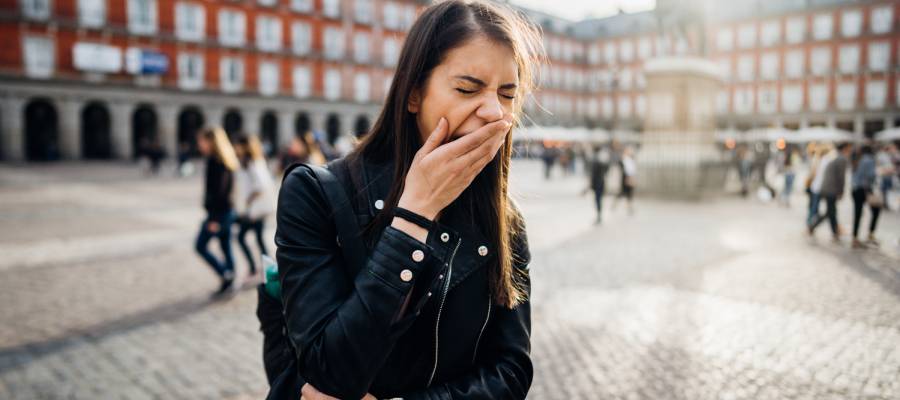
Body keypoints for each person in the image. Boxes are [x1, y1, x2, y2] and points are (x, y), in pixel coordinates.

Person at [273, 1, 539, 398]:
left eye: (507, 94)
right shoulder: (315, 192)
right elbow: (328, 369)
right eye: (468, 88)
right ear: (414, 94)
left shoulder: (504, 218)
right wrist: (414, 215)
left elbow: (511, 369)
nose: (492, 111)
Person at [195, 126, 240, 296]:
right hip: (227, 211)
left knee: (200, 246)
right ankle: (230, 280)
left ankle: (225, 274)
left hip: (219, 214)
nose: (199, 144)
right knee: (226, 246)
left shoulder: (216, 161)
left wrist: (213, 219)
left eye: (202, 140)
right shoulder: (226, 160)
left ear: (211, 141)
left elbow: (219, 192)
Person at [233, 134, 276, 281]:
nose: (235, 148)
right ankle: (267, 270)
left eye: (238, 145)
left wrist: (249, 199)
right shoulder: (249, 161)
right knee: (258, 239)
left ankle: (259, 269)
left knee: (242, 237)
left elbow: (261, 185)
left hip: (255, 210)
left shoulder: (252, 162)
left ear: (244, 146)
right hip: (254, 209)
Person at [809, 142, 852, 243]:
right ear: (845, 148)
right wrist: (841, 191)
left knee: (831, 211)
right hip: (830, 189)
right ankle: (827, 230)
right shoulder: (841, 159)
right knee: (831, 211)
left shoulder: (835, 157)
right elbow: (841, 177)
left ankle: (833, 231)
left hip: (826, 188)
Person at [850, 145, 882, 248]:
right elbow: (871, 175)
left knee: (857, 213)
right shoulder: (869, 160)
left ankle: (855, 238)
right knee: (876, 210)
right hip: (864, 189)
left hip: (855, 189)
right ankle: (870, 234)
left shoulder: (858, 159)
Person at [584, 146, 610, 224]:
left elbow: (593, 175)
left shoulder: (595, 161)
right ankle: (599, 215)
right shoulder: (602, 161)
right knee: (598, 199)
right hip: (601, 182)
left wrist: (590, 184)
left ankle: (599, 215)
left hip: (597, 183)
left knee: (598, 199)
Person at [612, 146, 637, 215]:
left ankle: (629, 208)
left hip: (630, 177)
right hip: (626, 178)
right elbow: (624, 169)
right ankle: (615, 204)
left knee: (629, 193)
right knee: (623, 193)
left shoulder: (631, 159)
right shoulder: (623, 160)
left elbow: (632, 170)